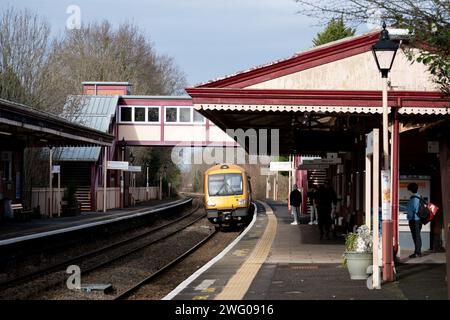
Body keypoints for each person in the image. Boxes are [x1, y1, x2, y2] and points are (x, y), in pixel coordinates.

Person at [406, 182, 422, 258]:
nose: (408, 192)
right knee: (417, 236)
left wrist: (408, 217)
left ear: (410, 190)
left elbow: (412, 210)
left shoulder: (413, 199)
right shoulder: (419, 196)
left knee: (416, 236)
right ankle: (417, 252)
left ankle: (417, 253)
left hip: (414, 220)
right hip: (419, 219)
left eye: (408, 190)